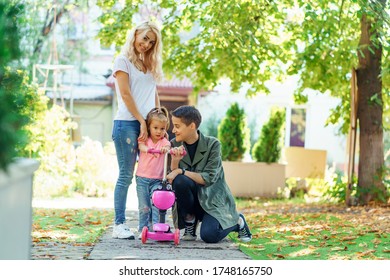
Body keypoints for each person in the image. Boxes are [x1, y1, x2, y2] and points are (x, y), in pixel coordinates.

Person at [166, 105, 252, 243]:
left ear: (192, 126)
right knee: (179, 181)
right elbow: (172, 180)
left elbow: (209, 178)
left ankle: (237, 220)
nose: (173, 130)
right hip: (193, 202)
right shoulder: (174, 144)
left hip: (212, 201)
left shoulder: (213, 145)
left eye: (177, 126)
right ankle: (190, 220)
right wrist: (175, 163)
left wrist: (180, 170)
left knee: (209, 236)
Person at [111, 21, 163, 239]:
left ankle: (149, 223)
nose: (147, 44)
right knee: (126, 175)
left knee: (151, 175)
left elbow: (154, 94)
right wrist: (142, 121)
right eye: (145, 39)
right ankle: (119, 224)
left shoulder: (147, 64)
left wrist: (160, 122)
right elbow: (125, 95)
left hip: (147, 125)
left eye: (151, 42)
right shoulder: (122, 61)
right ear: (135, 35)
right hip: (127, 125)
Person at [135, 107, 170, 237]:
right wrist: (149, 150)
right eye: (155, 128)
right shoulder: (145, 139)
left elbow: (167, 146)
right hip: (142, 178)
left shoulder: (163, 142)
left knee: (157, 205)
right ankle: (143, 229)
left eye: (162, 129)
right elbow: (141, 146)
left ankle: (157, 228)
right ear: (149, 127)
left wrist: (165, 149)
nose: (159, 131)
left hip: (157, 179)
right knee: (144, 207)